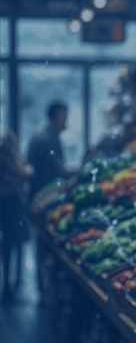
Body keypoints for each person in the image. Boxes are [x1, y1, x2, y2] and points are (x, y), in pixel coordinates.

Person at [26, 101, 74, 298]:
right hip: (43, 201)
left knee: (42, 243)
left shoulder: (44, 137)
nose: (66, 122)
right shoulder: (46, 140)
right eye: (64, 117)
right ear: (55, 118)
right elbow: (58, 169)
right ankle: (44, 289)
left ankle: (44, 288)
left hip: (40, 199)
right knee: (45, 243)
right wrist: (78, 172)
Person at [0, 129, 34, 302]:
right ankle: (9, 283)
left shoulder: (11, 158)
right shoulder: (7, 159)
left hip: (12, 206)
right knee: (12, 244)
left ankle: (14, 281)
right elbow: (24, 173)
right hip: (10, 205)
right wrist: (25, 171)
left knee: (15, 243)